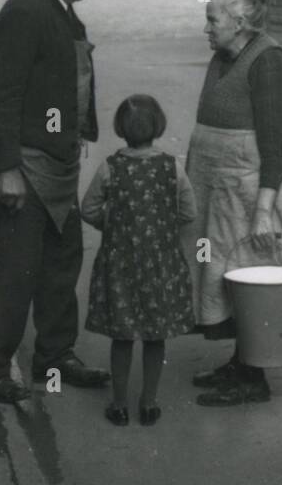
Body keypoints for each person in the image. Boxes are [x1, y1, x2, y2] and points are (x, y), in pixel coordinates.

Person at [0, 0, 110, 403]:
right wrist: (7, 169)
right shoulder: (24, 14)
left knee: (60, 261)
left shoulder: (61, 12)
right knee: (16, 267)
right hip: (23, 164)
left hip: (54, 162)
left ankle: (55, 356)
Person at [185, 0, 282, 407]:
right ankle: (240, 363)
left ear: (239, 23)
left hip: (251, 193)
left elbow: (274, 144)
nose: (206, 28)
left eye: (213, 19)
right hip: (220, 191)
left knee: (252, 281)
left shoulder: (268, 62)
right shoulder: (224, 56)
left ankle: (254, 380)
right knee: (224, 276)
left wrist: (263, 213)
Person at [81, 95, 197, 426]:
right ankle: (149, 403)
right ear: (158, 126)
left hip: (120, 265)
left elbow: (88, 208)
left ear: (120, 128)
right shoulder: (171, 167)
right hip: (160, 265)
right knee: (154, 335)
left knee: (122, 334)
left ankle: (118, 404)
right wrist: (160, 227)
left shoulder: (110, 167)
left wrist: (114, 225)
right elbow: (189, 211)